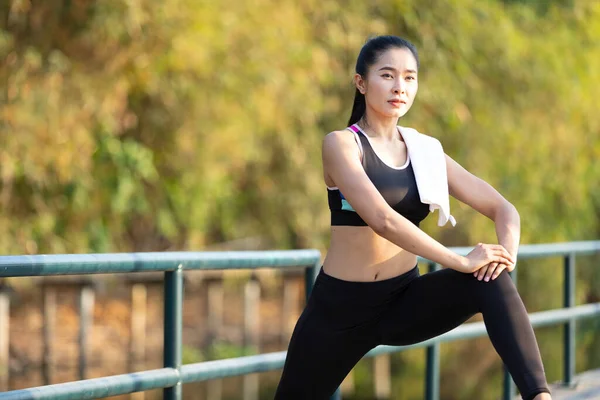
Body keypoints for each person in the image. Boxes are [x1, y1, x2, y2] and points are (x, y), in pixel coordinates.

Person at [274, 35, 551, 400]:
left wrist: (506, 255)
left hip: (402, 300)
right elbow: (382, 219)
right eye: (387, 76)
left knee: (492, 280)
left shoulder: (425, 152)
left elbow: (504, 209)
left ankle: (540, 396)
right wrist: (461, 261)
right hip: (339, 309)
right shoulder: (342, 144)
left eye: (409, 77)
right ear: (361, 82)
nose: (399, 87)